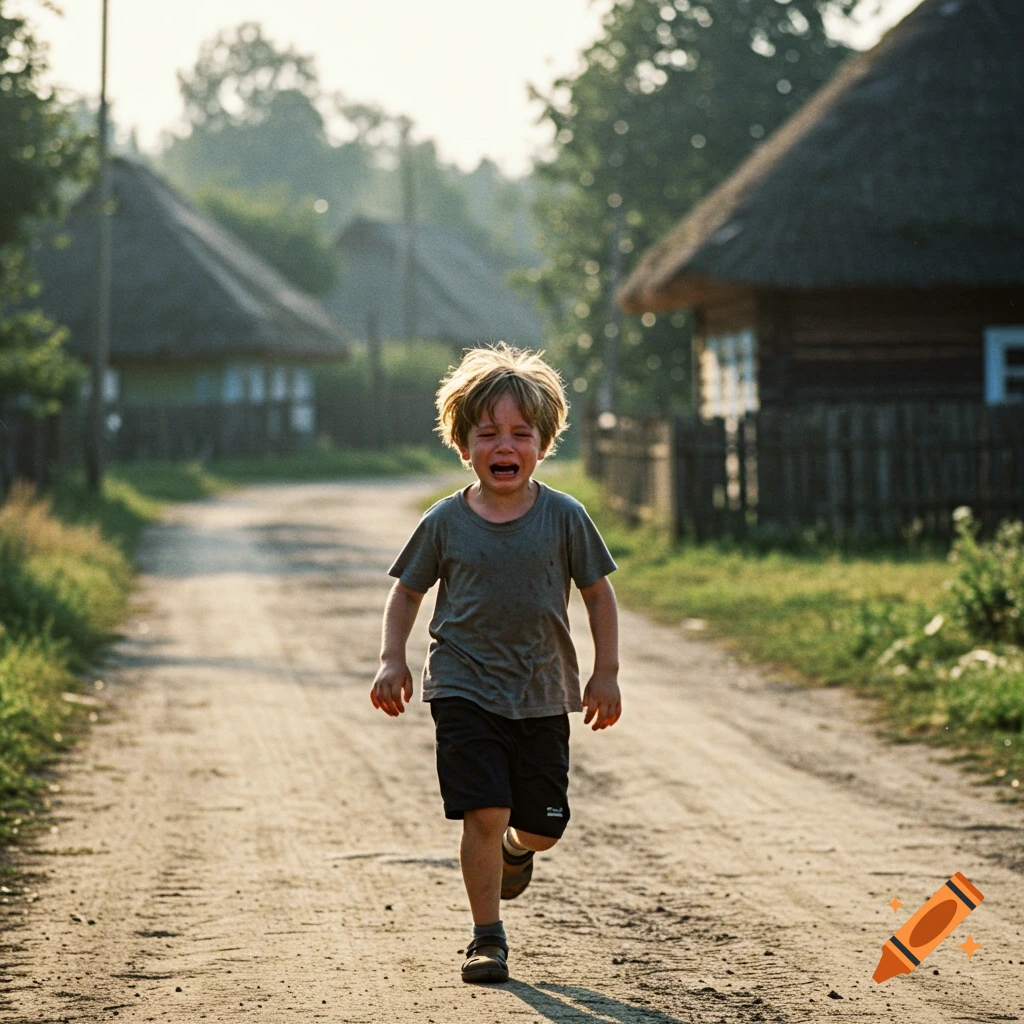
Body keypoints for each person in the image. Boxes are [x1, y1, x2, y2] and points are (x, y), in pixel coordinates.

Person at [370, 343, 621, 984]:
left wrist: (606, 672)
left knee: (541, 826)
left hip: (542, 691)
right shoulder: (445, 521)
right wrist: (391, 660)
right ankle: (487, 937)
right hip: (463, 686)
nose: (503, 445)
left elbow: (598, 593)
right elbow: (407, 592)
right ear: (464, 444)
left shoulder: (566, 518)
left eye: (519, 434)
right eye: (488, 433)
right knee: (484, 810)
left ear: (543, 444)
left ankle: (517, 851)